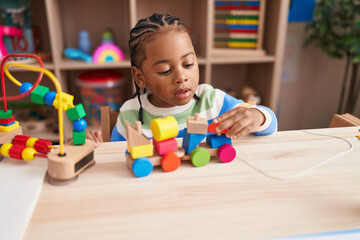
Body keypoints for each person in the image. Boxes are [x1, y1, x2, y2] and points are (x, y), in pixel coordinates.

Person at [87, 13, 277, 146]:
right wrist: (91, 144)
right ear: (140, 77)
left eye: (188, 64)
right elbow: (112, 157)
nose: (181, 77)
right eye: (165, 70)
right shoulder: (130, 114)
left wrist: (259, 117)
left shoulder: (212, 101)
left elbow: (271, 125)